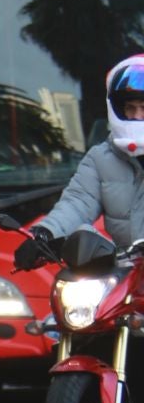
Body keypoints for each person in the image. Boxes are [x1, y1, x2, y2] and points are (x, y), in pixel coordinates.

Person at [14, 55, 144, 268]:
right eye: (130, 107)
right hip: (126, 277)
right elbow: (78, 202)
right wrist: (46, 234)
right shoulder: (102, 157)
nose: (137, 116)